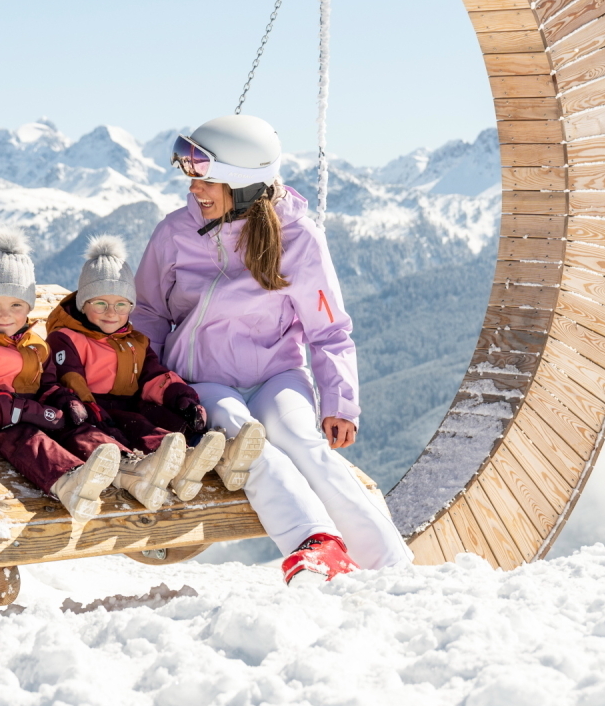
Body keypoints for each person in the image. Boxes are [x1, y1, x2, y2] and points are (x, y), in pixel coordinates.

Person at [132, 114, 414, 586]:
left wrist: (340, 402)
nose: (194, 188)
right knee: (248, 444)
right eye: (191, 174)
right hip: (201, 380)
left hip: (274, 375)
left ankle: (392, 566)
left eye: (207, 179)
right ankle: (315, 545)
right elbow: (149, 313)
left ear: (243, 186)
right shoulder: (175, 232)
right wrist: (143, 385)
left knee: (302, 442)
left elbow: (328, 331)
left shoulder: (299, 239)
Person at [0, 229, 154, 526]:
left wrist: (64, 401)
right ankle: (70, 484)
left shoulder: (34, 345)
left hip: (18, 425)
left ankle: (128, 470)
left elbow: (47, 386)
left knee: (75, 426)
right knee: (24, 436)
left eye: (16, 306)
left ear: (28, 307)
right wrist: (22, 410)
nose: (5, 315)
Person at [44, 235, 229, 507]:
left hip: (129, 405)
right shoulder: (67, 338)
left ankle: (200, 456)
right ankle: (164, 462)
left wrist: (182, 399)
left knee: (162, 417)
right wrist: (92, 413)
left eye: (121, 304)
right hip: (92, 411)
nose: (111, 313)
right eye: (100, 303)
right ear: (83, 303)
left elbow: (154, 375)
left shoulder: (135, 341)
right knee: (136, 426)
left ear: (131, 307)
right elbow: (71, 379)